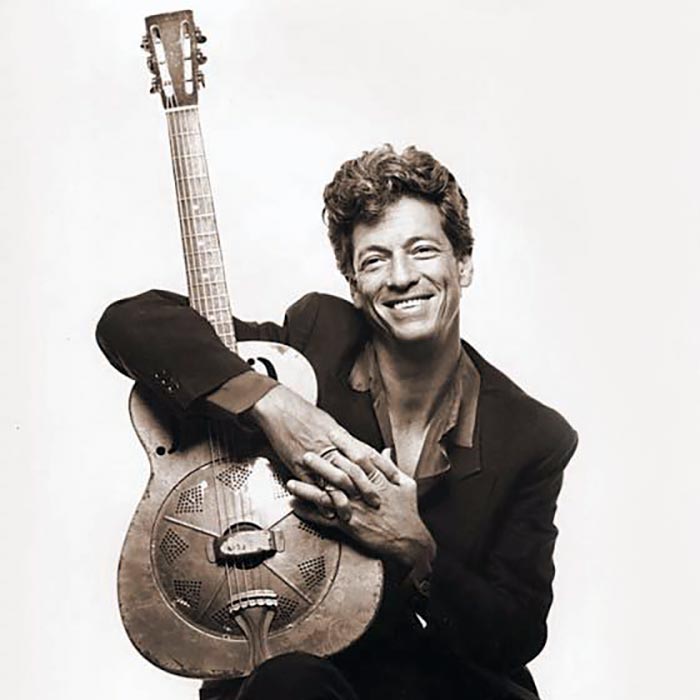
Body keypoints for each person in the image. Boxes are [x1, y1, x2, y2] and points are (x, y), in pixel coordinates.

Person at [97, 145, 578, 700]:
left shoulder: (533, 436)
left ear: (463, 264)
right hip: (302, 677)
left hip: (448, 684)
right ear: (353, 284)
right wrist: (273, 403)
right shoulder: (312, 346)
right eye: (374, 261)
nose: (401, 277)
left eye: (422, 250)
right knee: (286, 683)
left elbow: (515, 633)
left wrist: (417, 549)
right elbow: (130, 324)